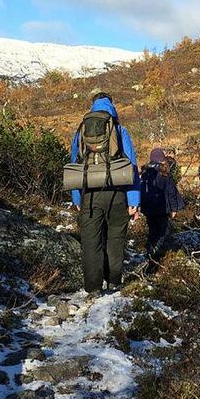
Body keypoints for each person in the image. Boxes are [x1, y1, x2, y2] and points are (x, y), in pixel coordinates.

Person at [70, 92, 140, 295]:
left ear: (93, 106)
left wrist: (77, 197)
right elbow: (132, 165)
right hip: (118, 192)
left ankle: (93, 288)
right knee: (115, 238)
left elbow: (76, 163)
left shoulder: (81, 130)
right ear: (112, 105)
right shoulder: (119, 129)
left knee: (91, 241)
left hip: (89, 195)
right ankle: (113, 282)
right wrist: (134, 199)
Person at [141, 147, 185, 261]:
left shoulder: (145, 173)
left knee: (152, 230)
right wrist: (174, 209)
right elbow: (171, 193)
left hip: (148, 209)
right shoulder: (164, 173)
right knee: (164, 230)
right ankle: (155, 251)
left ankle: (150, 252)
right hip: (162, 209)